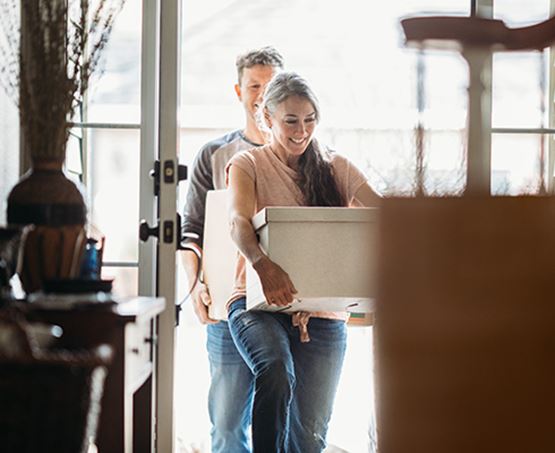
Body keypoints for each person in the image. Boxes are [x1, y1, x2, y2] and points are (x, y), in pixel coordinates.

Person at [225, 71, 381, 453]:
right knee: (276, 370)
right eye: (291, 121)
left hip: (323, 315)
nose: (301, 130)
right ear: (268, 119)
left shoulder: (336, 167)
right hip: (257, 304)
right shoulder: (249, 163)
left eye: (310, 119)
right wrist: (263, 264)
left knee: (310, 437)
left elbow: (384, 213)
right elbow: (238, 222)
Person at [180, 47, 284, 453]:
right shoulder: (213, 154)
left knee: (280, 423)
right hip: (226, 306)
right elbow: (190, 232)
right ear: (238, 90)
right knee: (226, 424)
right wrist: (196, 287)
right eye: (254, 85)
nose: (262, 93)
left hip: (282, 310)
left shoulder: (298, 154)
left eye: (271, 84)